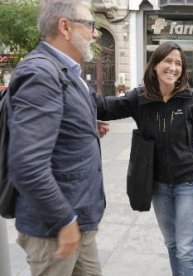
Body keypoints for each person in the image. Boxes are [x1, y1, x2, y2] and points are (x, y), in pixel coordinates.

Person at [94, 41, 193, 276]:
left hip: (188, 183)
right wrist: (75, 89)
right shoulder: (140, 98)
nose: (173, 67)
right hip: (158, 185)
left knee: (185, 248)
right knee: (172, 244)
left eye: (178, 63)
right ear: (155, 66)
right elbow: (104, 108)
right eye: (168, 61)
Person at [7, 0, 106, 275]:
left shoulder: (68, 72)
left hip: (78, 222)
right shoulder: (41, 73)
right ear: (65, 26)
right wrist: (65, 220)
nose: (94, 33)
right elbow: (27, 164)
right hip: (55, 229)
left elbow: (87, 110)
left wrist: (82, 129)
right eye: (90, 25)